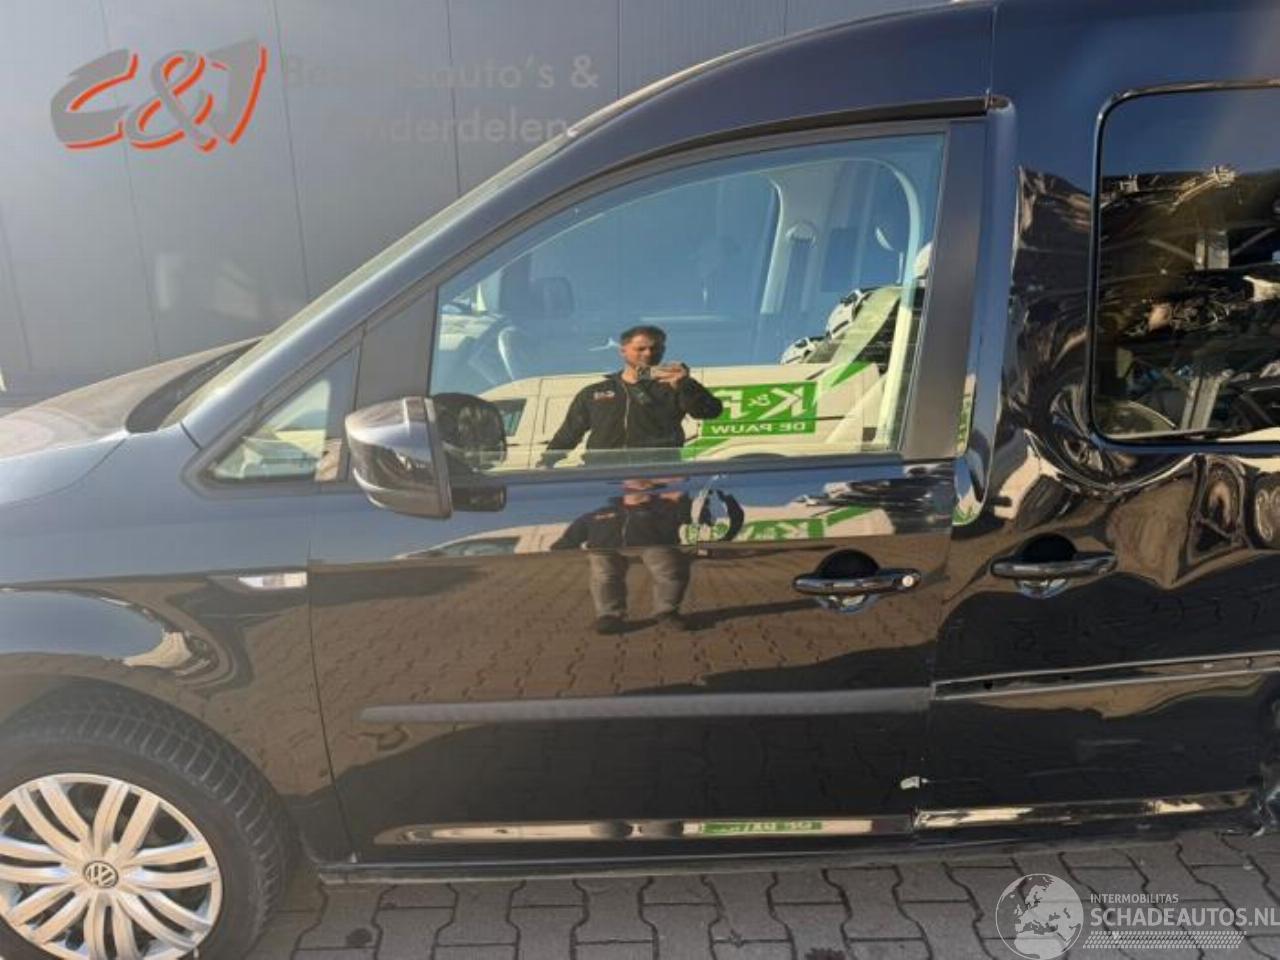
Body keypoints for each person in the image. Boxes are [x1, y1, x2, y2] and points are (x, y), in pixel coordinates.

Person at [539, 325, 723, 467]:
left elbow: (710, 411)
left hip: (658, 473)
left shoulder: (675, 386)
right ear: (623, 351)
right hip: (603, 473)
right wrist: (547, 461)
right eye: (640, 349)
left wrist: (686, 384)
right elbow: (570, 432)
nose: (648, 353)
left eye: (655, 348)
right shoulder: (593, 392)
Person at [551, 480, 693, 634]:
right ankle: (609, 616)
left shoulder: (663, 509)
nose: (639, 486)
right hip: (605, 548)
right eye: (634, 483)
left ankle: (666, 612)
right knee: (603, 571)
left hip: (652, 545)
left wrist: (679, 500)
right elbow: (571, 537)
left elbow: (685, 521)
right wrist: (562, 548)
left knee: (669, 567)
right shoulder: (600, 513)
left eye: (646, 484)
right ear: (624, 487)